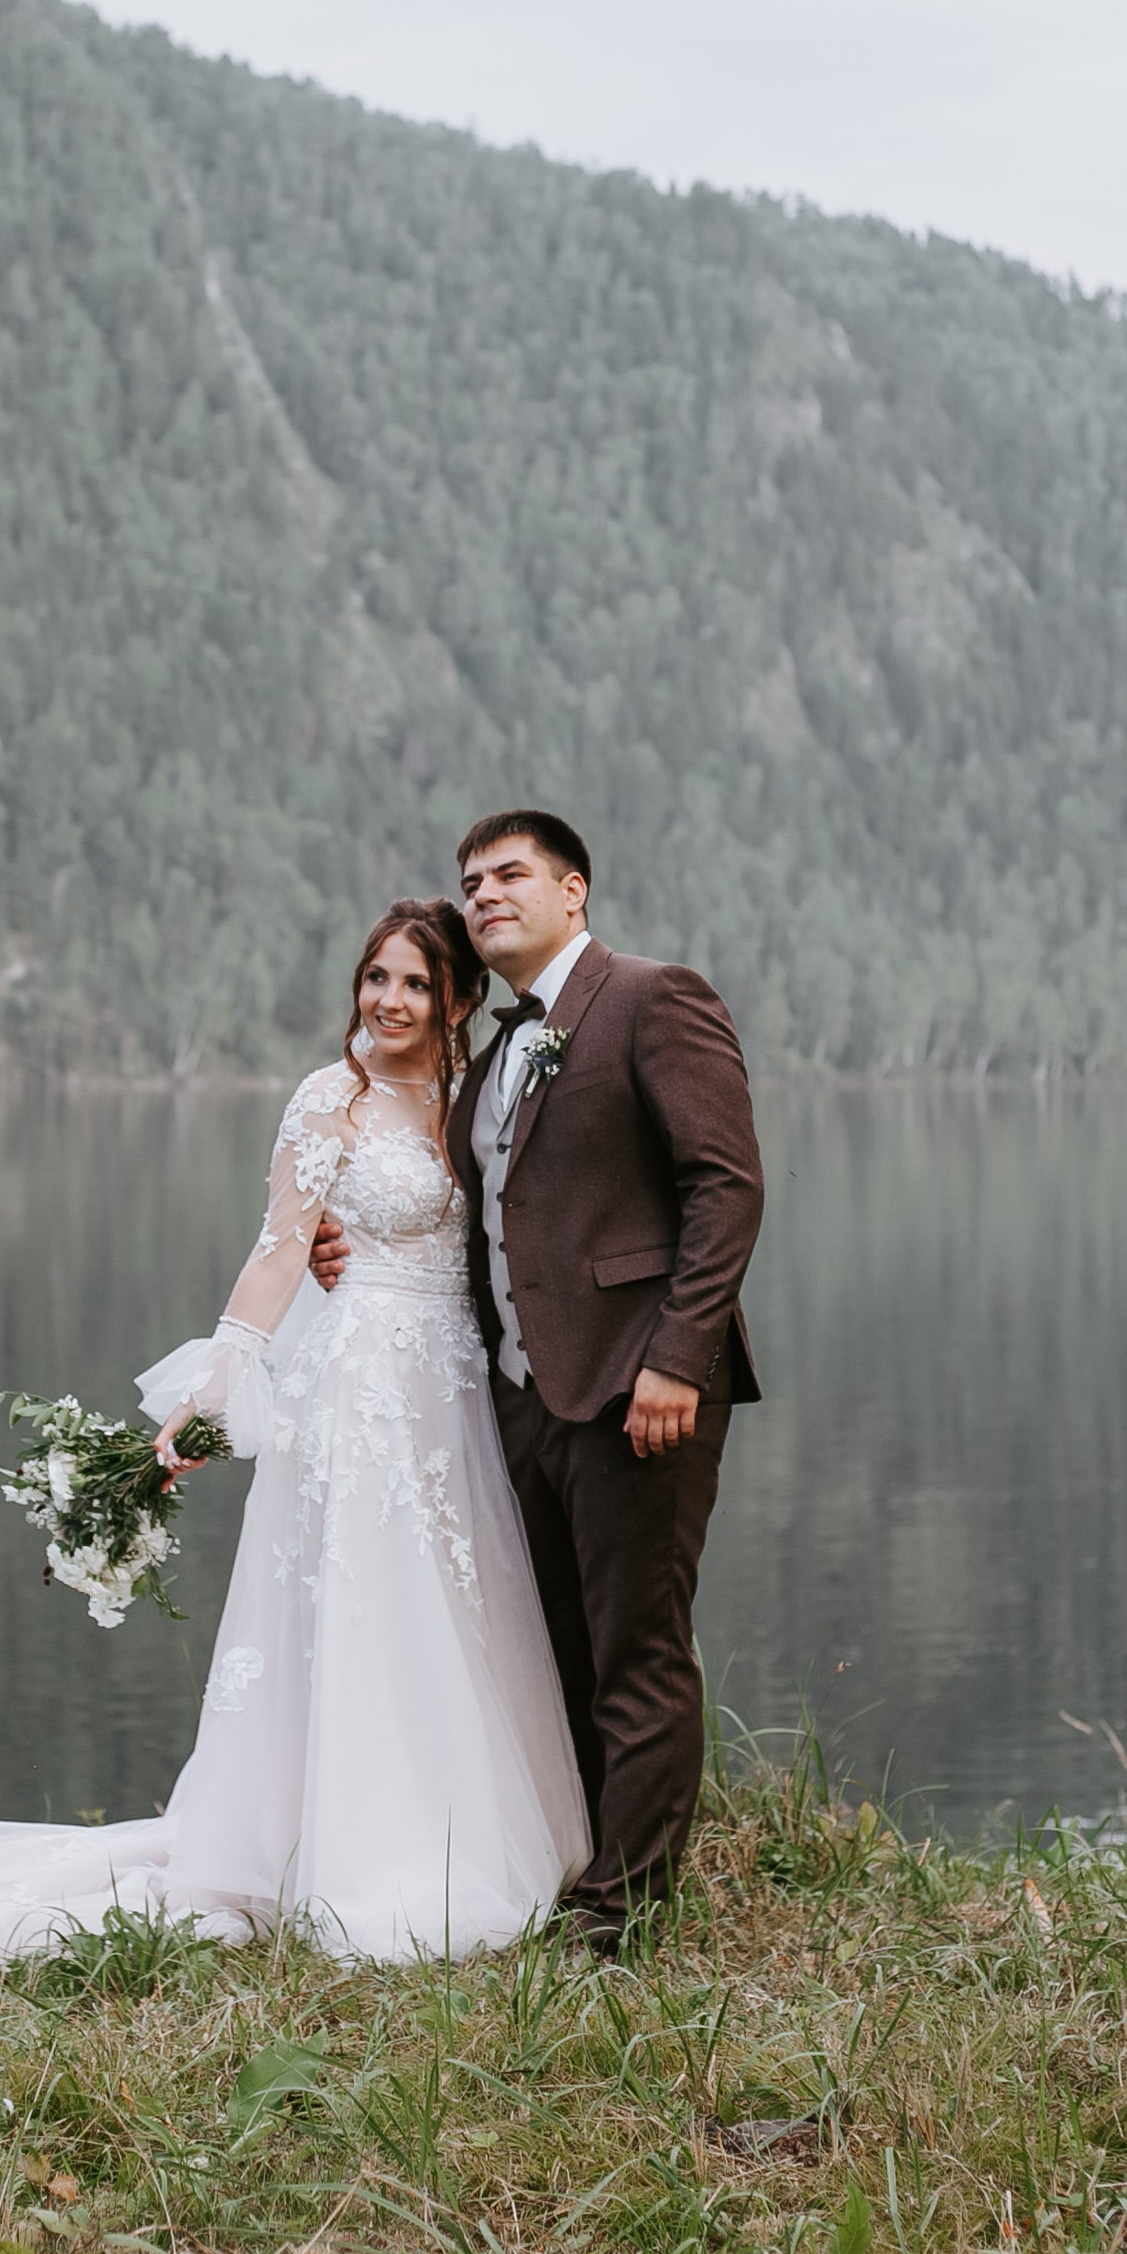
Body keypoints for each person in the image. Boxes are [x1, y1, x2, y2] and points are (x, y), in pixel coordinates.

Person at [0, 900, 588, 1969]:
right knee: (364, 1605)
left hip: (452, 1387)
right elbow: (278, 1253)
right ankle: (353, 1857)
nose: (390, 1000)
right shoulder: (330, 1101)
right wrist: (208, 1397)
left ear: (457, 997)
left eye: (415, 983)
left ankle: (468, 1827)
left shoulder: (474, 1098)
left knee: (453, 1605)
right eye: (376, 978)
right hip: (359, 1385)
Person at [312, 813, 764, 1949]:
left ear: (574, 889)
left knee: (638, 1652)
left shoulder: (653, 998)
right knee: (557, 1651)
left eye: (511, 874)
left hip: (638, 1394)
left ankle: (626, 1912)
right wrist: (344, 1250)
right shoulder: (496, 1053)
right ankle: (580, 1865)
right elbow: (481, 1217)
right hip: (521, 1401)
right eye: (472, 881)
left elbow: (725, 1189)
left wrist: (676, 1360)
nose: (487, 893)